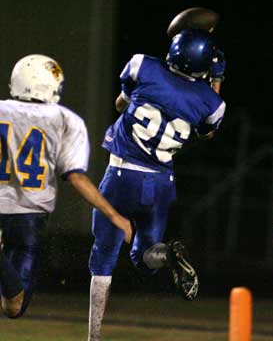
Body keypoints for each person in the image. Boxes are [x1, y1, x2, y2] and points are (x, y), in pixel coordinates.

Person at [87, 28, 226, 341]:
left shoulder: (143, 66)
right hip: (161, 182)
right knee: (146, 258)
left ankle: (93, 337)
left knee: (104, 257)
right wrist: (216, 78)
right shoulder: (212, 102)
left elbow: (121, 104)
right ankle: (169, 255)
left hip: (121, 176)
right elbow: (208, 131)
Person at [0, 54, 132, 319]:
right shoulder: (65, 120)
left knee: (13, 307)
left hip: (27, 215)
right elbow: (76, 177)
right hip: (29, 214)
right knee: (14, 308)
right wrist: (114, 215)